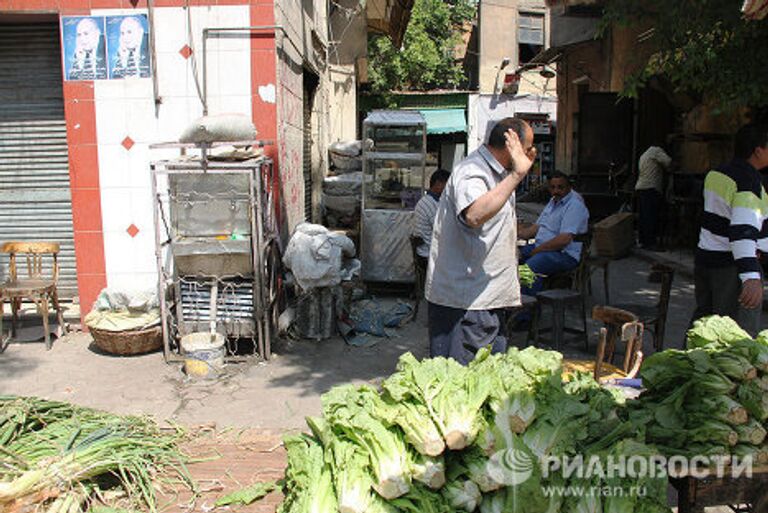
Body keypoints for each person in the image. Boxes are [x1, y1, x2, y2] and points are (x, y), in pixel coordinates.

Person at [424, 118, 535, 364]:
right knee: (462, 385)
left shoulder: (498, 174)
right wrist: (517, 174)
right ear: (511, 144)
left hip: (485, 298)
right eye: (528, 149)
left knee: (486, 381)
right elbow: (474, 214)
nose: (531, 155)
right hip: (467, 303)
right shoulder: (472, 171)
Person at [693, 123, 768, 336]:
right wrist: (750, 277)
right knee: (733, 338)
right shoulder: (748, 182)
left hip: (707, 261)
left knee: (704, 328)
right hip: (731, 269)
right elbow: (742, 231)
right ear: (758, 150)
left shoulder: (716, 174)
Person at [517, 171, 590, 296]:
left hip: (564, 254)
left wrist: (538, 250)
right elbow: (535, 228)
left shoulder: (574, 205)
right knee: (511, 259)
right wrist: (516, 231)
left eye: (560, 187)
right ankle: (519, 299)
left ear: (569, 187)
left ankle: (527, 310)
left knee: (527, 269)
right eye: (553, 187)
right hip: (543, 248)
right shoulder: (553, 202)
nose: (556, 191)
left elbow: (563, 240)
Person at [635, 145, 672, 251]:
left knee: (643, 216)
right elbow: (668, 162)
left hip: (641, 187)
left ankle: (643, 241)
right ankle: (651, 243)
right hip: (651, 188)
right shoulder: (656, 151)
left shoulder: (644, 155)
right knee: (650, 216)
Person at [412, 169, 451, 263]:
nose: (449, 188)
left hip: (428, 249)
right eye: (447, 185)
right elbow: (441, 229)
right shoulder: (429, 203)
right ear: (438, 184)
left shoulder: (432, 201)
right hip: (428, 253)